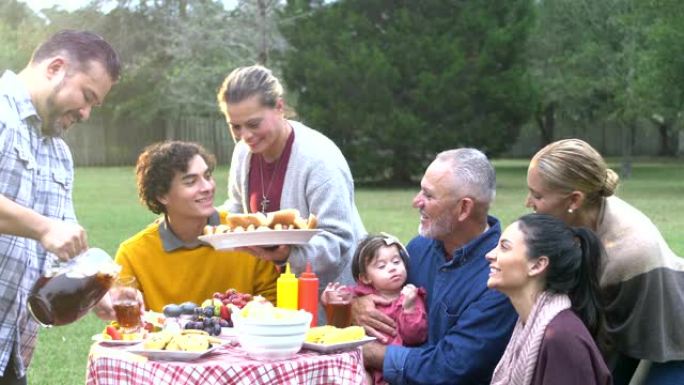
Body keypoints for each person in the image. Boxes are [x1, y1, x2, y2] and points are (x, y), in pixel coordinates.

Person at [0, 30, 120, 384]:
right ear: (55, 67)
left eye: (93, 105)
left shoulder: (59, 154)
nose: (85, 113)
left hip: (11, 349)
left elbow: (67, 247)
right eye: (86, 96)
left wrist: (101, 290)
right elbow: (49, 229)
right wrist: (42, 226)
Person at [526, 138, 684, 385]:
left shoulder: (625, 252)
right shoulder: (590, 205)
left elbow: (603, 352)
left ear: (574, 200)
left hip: (674, 335)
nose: (528, 203)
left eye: (537, 195)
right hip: (625, 320)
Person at [355, 148, 518, 385]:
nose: (416, 202)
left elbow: (451, 367)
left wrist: (372, 354)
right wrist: (357, 305)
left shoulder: (500, 274)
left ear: (464, 208)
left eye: (428, 196)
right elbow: (382, 293)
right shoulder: (420, 248)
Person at [216, 65, 366, 314]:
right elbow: (237, 207)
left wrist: (287, 256)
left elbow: (338, 240)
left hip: (332, 300)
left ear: (279, 107)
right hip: (280, 296)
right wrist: (205, 218)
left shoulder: (320, 160)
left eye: (253, 124)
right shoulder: (244, 152)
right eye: (236, 127)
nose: (245, 136)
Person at [99, 141, 278, 315]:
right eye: (191, 182)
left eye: (207, 176)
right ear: (162, 195)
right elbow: (125, 325)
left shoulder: (246, 234)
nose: (207, 187)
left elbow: (275, 307)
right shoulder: (133, 254)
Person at [486, 213, 611, 385]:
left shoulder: (562, 339)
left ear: (537, 265)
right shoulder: (531, 325)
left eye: (505, 247)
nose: (490, 255)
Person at [323, 233, 428, 385]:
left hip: (390, 368)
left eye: (396, 261)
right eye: (382, 266)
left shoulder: (410, 296)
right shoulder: (358, 295)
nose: (392, 268)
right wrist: (329, 300)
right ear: (365, 278)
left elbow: (415, 337)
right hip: (361, 363)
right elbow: (339, 318)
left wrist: (409, 309)